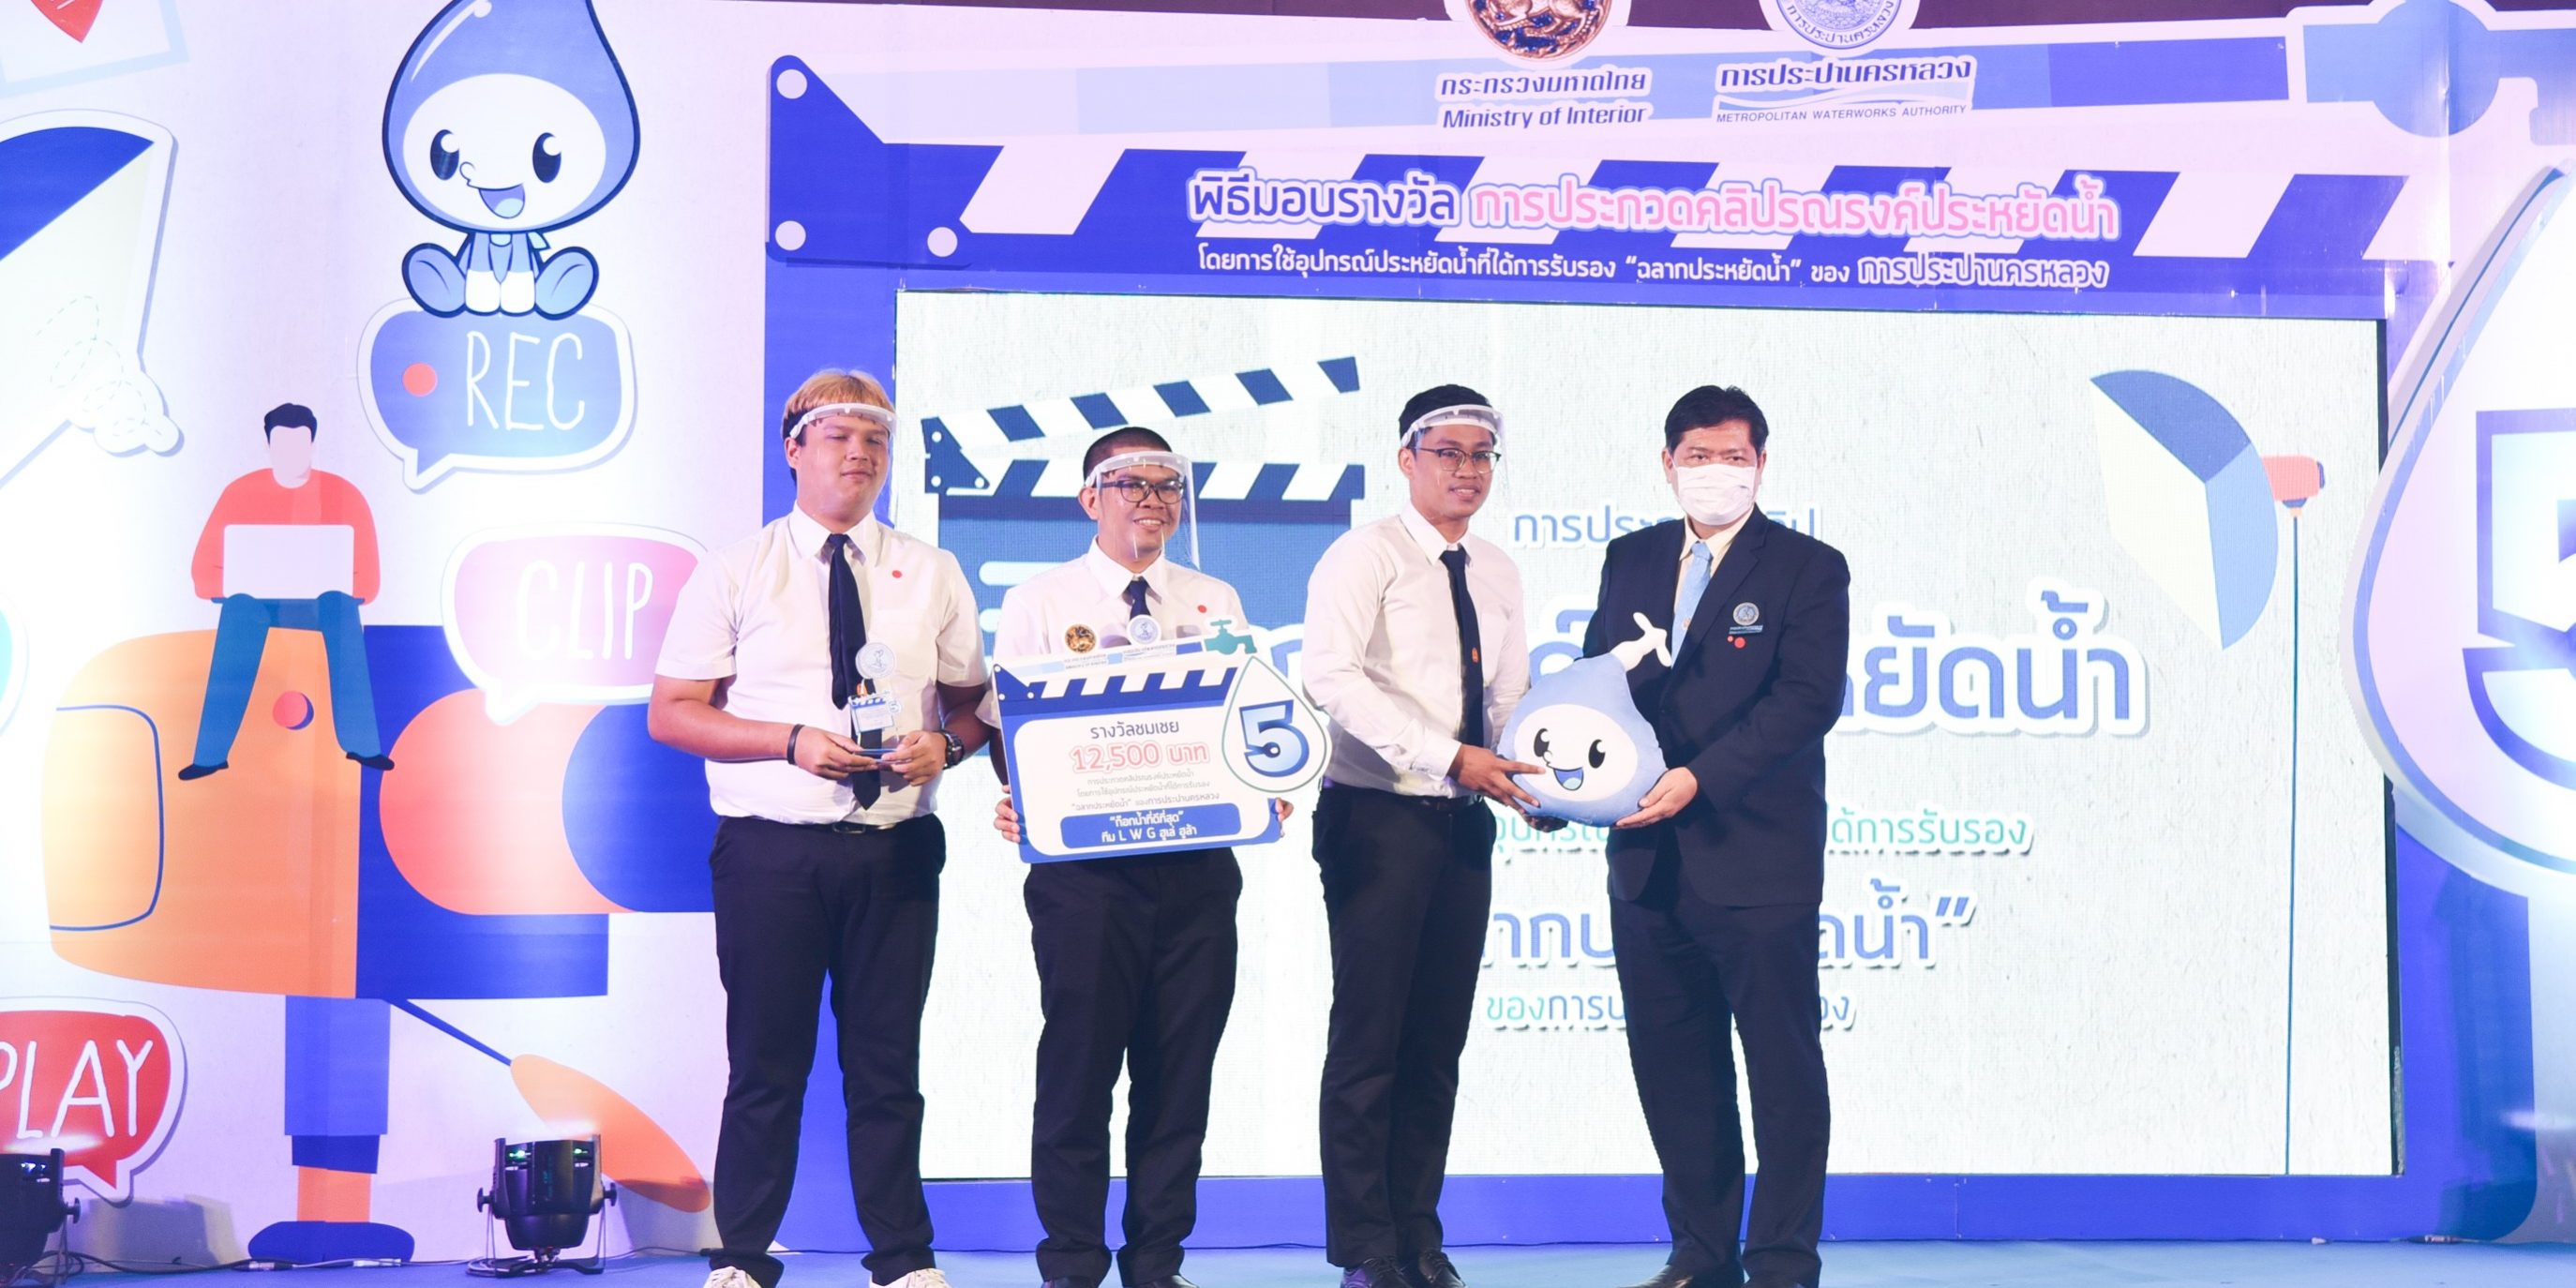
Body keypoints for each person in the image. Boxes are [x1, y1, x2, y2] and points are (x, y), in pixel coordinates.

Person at [649, 369, 993, 1288]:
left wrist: (946, 748)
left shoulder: (931, 570)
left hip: (897, 849)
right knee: (766, 1065)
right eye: (839, 435)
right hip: (772, 850)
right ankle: (743, 1255)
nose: (860, 454)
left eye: (876, 440)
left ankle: (903, 1260)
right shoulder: (738, 568)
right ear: (793, 448)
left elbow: (974, 707)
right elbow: (673, 712)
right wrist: (788, 741)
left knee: (888, 1067)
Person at [985, 427, 1283, 1288]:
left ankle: (1157, 1262)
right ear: (1091, 498)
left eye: (1167, 486)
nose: (1153, 500)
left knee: (1179, 1077)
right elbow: (1009, 730)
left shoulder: (1215, 599)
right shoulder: (1040, 601)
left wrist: (1265, 778)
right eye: (1131, 484)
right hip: (1084, 877)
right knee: (1078, 1072)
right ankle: (1072, 1264)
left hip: (1197, 870)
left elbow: (1248, 718)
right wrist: (1024, 794)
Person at [1582, 386, 1850, 1288]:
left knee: (1782, 1073)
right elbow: (1596, 686)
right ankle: (1701, 1254)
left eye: (1733, 457)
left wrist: (1701, 778)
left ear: (1761, 465)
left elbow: (1806, 701)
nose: (1715, 472)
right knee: (1676, 1071)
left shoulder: (1809, 568)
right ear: (1668, 465)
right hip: (1646, 865)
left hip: (1758, 860)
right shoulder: (1630, 558)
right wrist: (1560, 776)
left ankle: (1781, 1261)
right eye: (1698, 456)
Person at [1299, 386, 1545, 1288]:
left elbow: (1508, 697)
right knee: (1370, 1040)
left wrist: (1531, 778)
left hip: (1464, 823)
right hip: (1377, 818)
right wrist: (1449, 757)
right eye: (1448, 453)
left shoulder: (1498, 568)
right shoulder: (1364, 555)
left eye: (1482, 455)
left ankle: (1417, 1238)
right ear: (1407, 460)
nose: (1467, 470)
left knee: (1437, 1043)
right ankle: (1366, 1248)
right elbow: (1330, 676)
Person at [180, 401, 388, 781]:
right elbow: (202, 573)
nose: (291, 454)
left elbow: (369, 581)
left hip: (322, 605)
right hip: (257, 605)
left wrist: (331, 583)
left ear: (312, 445)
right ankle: (210, 755)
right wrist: (240, 584)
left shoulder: (345, 494)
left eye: (299, 445)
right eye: (282, 446)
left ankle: (363, 745)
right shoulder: (239, 493)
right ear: (268, 446)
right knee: (239, 609)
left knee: (342, 610)